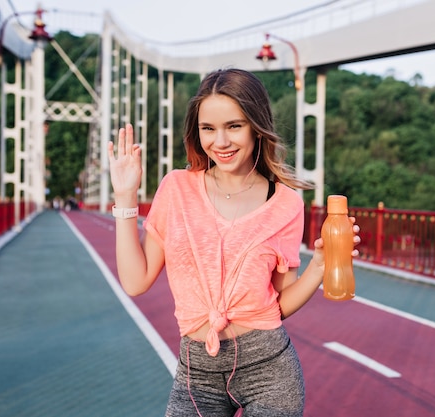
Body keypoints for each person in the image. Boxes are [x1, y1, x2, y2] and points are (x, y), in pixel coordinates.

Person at [108, 68, 359, 417]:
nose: (220, 142)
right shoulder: (177, 188)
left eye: (234, 126)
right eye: (208, 129)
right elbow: (136, 281)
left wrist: (320, 266)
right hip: (197, 375)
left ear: (257, 126)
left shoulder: (285, 204)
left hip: (269, 369)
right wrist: (125, 196)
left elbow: (279, 305)